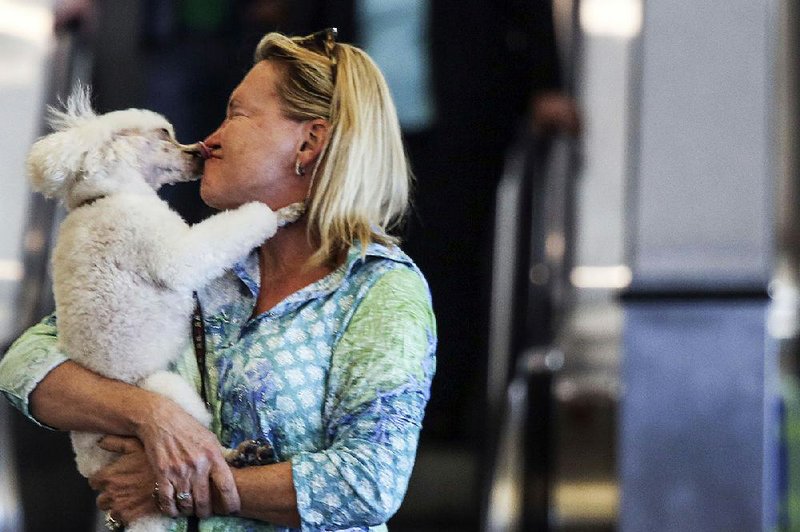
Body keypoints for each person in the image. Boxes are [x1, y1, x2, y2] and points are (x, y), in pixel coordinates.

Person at [0, 28, 436, 531]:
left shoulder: (379, 289)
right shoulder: (205, 258)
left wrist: (178, 487)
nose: (208, 139)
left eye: (237, 114)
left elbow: (370, 483)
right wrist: (151, 415)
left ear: (309, 142)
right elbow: (24, 364)